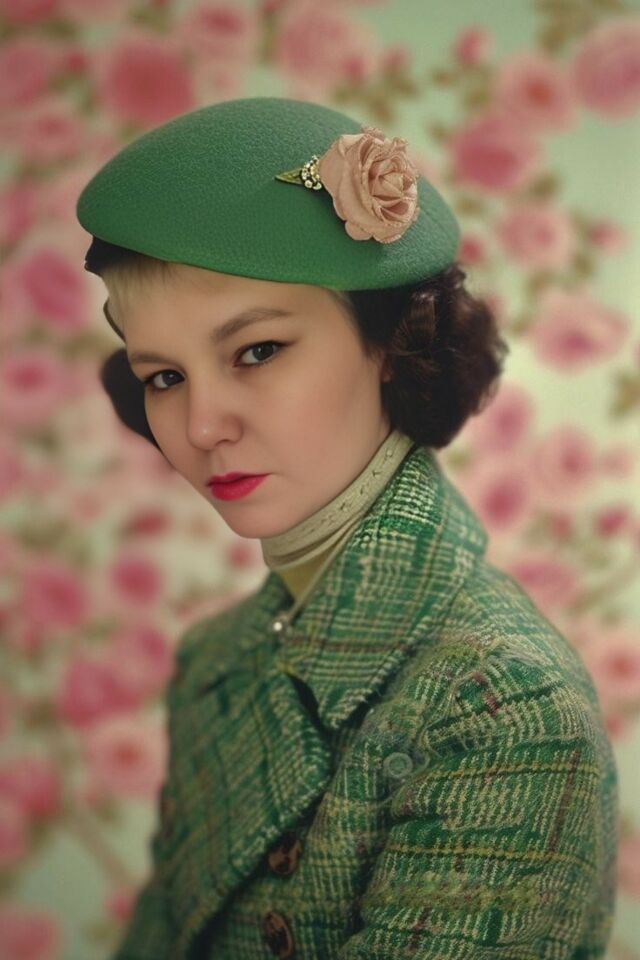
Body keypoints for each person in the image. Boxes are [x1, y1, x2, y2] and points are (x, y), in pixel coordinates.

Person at [76, 97, 618, 960]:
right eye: (164, 376)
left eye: (258, 350)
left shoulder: (503, 707)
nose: (203, 425)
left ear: (390, 346)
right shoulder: (216, 660)